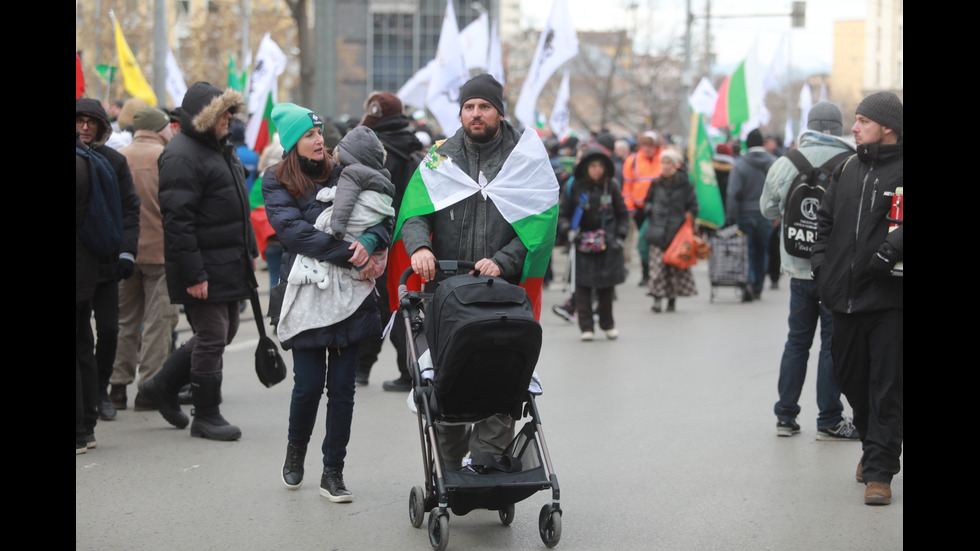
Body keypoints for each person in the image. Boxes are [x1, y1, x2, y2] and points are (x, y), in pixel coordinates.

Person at [399, 73, 558, 469]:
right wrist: (419, 246)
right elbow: (415, 212)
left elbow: (539, 222)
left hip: (501, 290)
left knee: (501, 374)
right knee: (449, 377)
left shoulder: (525, 157)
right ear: (460, 113)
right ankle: (451, 467)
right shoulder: (439, 156)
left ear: (499, 113)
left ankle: (488, 464)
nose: (476, 113)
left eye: (484, 106)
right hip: (446, 292)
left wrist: (503, 261)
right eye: (469, 107)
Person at [263, 103, 391, 502]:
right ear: (293, 143)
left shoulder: (345, 170)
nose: (319, 140)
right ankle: (295, 449)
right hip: (306, 297)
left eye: (320, 133)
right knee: (307, 387)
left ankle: (333, 472)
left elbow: (383, 217)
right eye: (309, 135)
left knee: (343, 390)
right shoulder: (276, 180)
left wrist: (369, 243)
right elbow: (293, 233)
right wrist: (350, 251)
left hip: (352, 295)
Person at [139, 82, 257, 442]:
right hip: (202, 264)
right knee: (211, 335)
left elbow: (240, 207)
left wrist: (249, 253)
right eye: (223, 113)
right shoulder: (181, 154)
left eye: (230, 112)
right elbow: (178, 221)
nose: (230, 119)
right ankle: (206, 414)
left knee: (228, 330)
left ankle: (162, 384)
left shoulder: (222, 149)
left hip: (228, 260)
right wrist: (193, 273)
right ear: (205, 117)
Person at [811, 91, 903, 506]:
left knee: (886, 386)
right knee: (849, 378)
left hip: (889, 301)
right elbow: (825, 221)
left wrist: (894, 247)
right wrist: (820, 265)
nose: (854, 127)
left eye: (862, 121)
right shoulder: (847, 167)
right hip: (843, 298)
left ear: (887, 127)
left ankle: (880, 472)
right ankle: (872, 444)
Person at [760, 102, 858, 441]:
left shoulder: (787, 162)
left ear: (810, 125)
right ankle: (829, 419)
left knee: (797, 341)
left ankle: (785, 417)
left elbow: (767, 208)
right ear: (839, 125)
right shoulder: (851, 161)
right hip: (835, 270)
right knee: (832, 344)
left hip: (798, 269)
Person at [108, 107, 180, 412]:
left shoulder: (117, 156)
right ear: (159, 128)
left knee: (125, 321)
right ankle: (148, 388)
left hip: (124, 252)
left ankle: (117, 385)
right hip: (162, 253)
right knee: (158, 323)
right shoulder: (167, 156)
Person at [76, 98, 142, 422]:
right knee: (81, 335)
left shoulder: (114, 162)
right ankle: (89, 396)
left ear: (102, 126)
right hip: (79, 265)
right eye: (80, 121)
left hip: (108, 262)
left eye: (91, 121)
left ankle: (102, 387)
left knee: (110, 330)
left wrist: (127, 251)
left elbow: (130, 208)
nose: (84, 127)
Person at [355, 91, 425, 391]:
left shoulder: (374, 147)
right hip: (410, 234)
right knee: (401, 302)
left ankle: (368, 367)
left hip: (379, 235)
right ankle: (410, 369)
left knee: (381, 304)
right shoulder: (413, 146)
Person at [557, 147, 628, 341]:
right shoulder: (574, 186)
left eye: (601, 166)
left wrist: (619, 237)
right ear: (585, 167)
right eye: (594, 166)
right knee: (583, 287)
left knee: (607, 287)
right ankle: (586, 327)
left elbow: (623, 214)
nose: (598, 170)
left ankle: (608, 324)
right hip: (582, 242)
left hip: (608, 242)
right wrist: (567, 231)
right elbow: (563, 214)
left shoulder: (611, 185)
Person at [643, 149, 698, 312]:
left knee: (674, 267)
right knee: (657, 268)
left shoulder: (685, 184)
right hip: (657, 230)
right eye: (663, 163)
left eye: (668, 163)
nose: (665, 166)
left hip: (677, 232)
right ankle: (657, 299)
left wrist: (688, 220)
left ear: (675, 165)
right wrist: (651, 211)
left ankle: (672, 299)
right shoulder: (656, 183)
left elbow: (693, 206)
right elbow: (646, 202)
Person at [727, 128, 776, 301]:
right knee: (763, 251)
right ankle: (758, 286)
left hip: (744, 215)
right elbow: (781, 190)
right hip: (767, 215)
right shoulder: (773, 162)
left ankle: (748, 281)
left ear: (747, 144)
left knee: (746, 251)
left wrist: (731, 216)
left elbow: (733, 192)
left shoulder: (740, 164)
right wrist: (779, 214)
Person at [622, 130, 664, 286]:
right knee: (643, 243)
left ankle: (657, 273)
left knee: (657, 243)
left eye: (651, 145)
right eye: (645, 145)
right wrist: (629, 206)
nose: (647, 149)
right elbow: (627, 185)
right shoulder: (632, 161)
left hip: (660, 208)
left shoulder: (665, 158)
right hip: (640, 209)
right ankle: (646, 273)